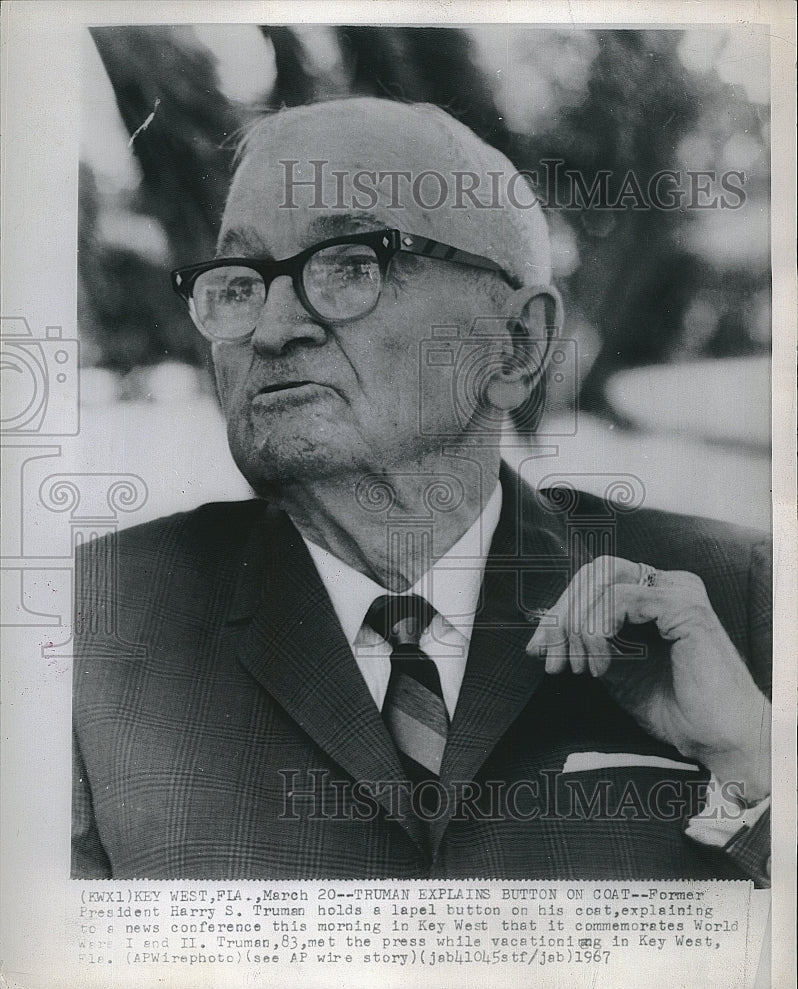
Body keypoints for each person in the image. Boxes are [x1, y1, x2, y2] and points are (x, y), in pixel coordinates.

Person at [72, 98, 771, 882]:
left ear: (517, 345)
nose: (270, 330)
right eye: (239, 283)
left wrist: (757, 767)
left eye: (348, 265)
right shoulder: (93, 625)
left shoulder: (743, 600)